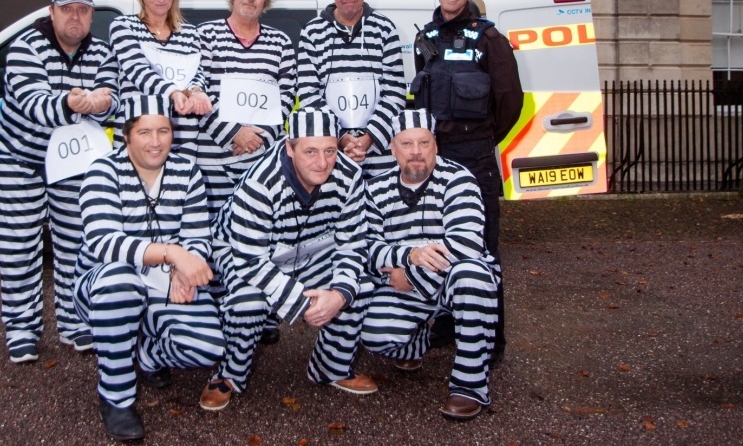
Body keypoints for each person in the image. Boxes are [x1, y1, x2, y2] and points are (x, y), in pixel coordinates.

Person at [198, 108, 377, 412]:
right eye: (310, 151)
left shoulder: (350, 176)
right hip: (241, 251)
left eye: (330, 150)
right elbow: (250, 260)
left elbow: (352, 244)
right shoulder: (259, 182)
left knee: (359, 286)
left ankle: (331, 367)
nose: (322, 163)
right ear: (289, 148)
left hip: (308, 249)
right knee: (247, 301)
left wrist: (337, 295)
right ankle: (229, 374)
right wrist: (303, 303)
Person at [74, 95, 224, 442]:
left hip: (164, 284)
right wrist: (173, 255)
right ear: (126, 136)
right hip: (103, 287)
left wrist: (184, 269)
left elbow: (199, 237)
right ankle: (117, 396)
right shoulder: (102, 171)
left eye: (163, 131)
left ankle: (146, 353)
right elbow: (105, 243)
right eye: (144, 132)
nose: (156, 141)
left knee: (208, 347)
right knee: (120, 282)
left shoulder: (187, 171)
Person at [0, 0, 119, 362]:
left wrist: (104, 103)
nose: (75, 18)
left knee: (76, 246)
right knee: (18, 247)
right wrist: (76, 102)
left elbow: (115, 99)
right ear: (52, 12)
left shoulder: (102, 52)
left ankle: (74, 322)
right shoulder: (25, 46)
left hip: (74, 164)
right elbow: (35, 104)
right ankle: (22, 329)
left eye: (83, 10)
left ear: (92, 14)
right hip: (21, 159)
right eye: (67, 10)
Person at [410, 0, 523, 361]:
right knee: (438, 242)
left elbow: (511, 101)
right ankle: (446, 324)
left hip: (474, 159)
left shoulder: (488, 39)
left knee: (482, 249)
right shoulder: (426, 38)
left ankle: (490, 342)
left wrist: (483, 138)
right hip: (436, 160)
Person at [361, 109, 499, 421]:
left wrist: (411, 273)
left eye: (424, 143)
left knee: (473, 276)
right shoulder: (375, 189)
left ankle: (470, 386)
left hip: (453, 280)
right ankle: (416, 342)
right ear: (392, 149)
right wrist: (410, 255)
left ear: (435, 145)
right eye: (406, 144)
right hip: (404, 279)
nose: (416, 152)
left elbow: (466, 244)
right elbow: (367, 248)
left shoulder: (459, 179)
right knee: (374, 335)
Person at [195, 0, 296, 218]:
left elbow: (286, 98)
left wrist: (257, 137)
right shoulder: (205, 35)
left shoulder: (281, 43)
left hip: (261, 160)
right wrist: (234, 133)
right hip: (212, 161)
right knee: (212, 231)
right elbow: (198, 90)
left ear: (266, 1)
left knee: (255, 226)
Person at [297, 0, 405, 179]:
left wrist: (369, 138)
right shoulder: (312, 32)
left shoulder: (385, 29)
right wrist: (342, 137)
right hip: (330, 154)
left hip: (379, 154)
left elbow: (395, 92)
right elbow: (308, 94)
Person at [108, 0, 211, 160]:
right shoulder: (123, 27)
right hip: (139, 136)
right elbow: (139, 71)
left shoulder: (190, 33)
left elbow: (196, 73)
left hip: (183, 136)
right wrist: (174, 93)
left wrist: (196, 91)